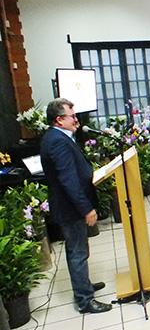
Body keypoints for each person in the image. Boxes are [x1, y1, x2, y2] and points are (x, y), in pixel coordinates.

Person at [40, 98, 111, 314]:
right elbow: (67, 179)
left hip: (70, 205)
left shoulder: (58, 137)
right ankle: (85, 300)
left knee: (79, 250)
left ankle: (84, 286)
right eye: (72, 116)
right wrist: (86, 208)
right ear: (60, 119)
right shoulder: (57, 141)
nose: (76, 119)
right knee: (77, 252)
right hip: (70, 207)